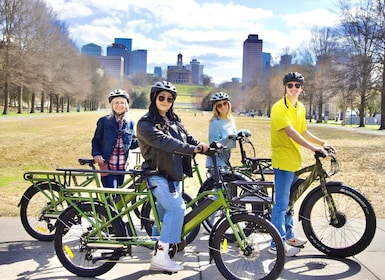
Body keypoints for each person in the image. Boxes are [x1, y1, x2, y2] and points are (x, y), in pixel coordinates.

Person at [136, 81, 209, 273]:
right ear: (154, 98)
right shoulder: (145, 123)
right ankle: (161, 257)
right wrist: (193, 149)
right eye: (162, 97)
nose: (166, 101)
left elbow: (187, 137)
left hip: (174, 176)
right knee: (177, 209)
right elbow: (165, 142)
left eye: (170, 99)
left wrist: (205, 146)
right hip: (157, 175)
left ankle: (159, 254)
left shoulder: (173, 120)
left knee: (162, 217)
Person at [269, 72, 336, 256]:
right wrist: (313, 148)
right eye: (290, 85)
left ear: (301, 88)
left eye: (297, 86)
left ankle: (289, 236)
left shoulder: (300, 107)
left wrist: (322, 143)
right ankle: (276, 244)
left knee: (290, 202)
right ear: (285, 87)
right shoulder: (278, 108)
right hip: (283, 160)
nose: (293, 89)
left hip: (294, 160)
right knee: (281, 204)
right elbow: (291, 132)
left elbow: (303, 131)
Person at [91, 89, 138, 190]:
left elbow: (132, 144)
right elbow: (96, 140)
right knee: (111, 194)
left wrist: (145, 140)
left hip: (122, 165)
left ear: (126, 105)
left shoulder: (130, 123)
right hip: (107, 164)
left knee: (119, 196)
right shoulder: (104, 121)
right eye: (116, 102)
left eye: (122, 102)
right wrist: (96, 154)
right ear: (111, 105)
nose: (119, 105)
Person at [205, 92, 237, 172]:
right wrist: (227, 138)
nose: (223, 107)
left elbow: (233, 138)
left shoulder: (231, 120)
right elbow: (213, 144)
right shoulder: (214, 122)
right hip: (216, 162)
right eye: (219, 105)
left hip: (226, 160)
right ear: (215, 108)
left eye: (225, 103)